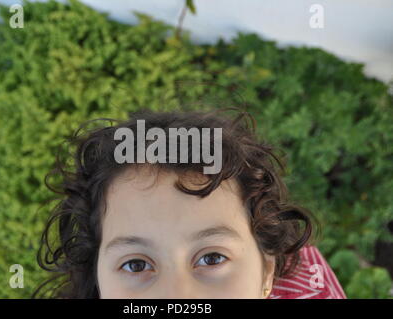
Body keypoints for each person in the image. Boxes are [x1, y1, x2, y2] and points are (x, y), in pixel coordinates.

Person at [33, 108, 346, 299]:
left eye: (211, 258)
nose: (177, 297)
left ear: (266, 272)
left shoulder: (309, 286)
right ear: (97, 282)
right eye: (136, 264)